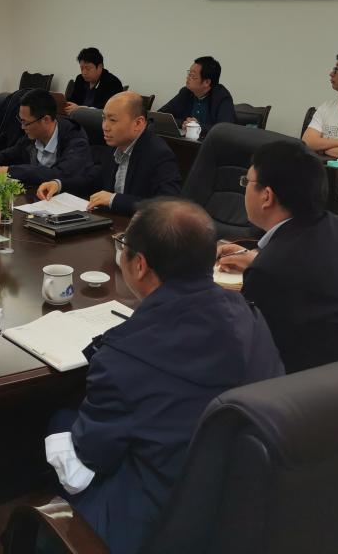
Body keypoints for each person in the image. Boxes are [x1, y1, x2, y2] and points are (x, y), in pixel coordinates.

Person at [44, 198, 282, 554]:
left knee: (58, 424)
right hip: (242, 512)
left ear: (139, 265)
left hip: (150, 526)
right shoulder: (251, 317)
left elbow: (90, 457)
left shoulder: (124, 358)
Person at [215, 141, 338, 373]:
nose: (244, 189)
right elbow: (309, 271)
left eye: (246, 182)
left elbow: (248, 349)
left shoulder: (270, 270)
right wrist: (257, 259)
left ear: (266, 196)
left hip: (334, 386)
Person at [37, 92, 180, 215]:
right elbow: (92, 179)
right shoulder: (115, 145)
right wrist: (59, 184)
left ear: (138, 123)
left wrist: (114, 199)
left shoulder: (158, 153)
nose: (105, 127)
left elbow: (167, 206)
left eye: (112, 120)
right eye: (104, 118)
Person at [0, 88, 90, 187]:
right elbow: (9, 154)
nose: (22, 127)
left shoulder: (75, 139)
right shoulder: (33, 136)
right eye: (21, 120)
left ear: (46, 120)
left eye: (26, 122)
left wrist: (8, 171)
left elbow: (59, 174)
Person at [157, 56, 236, 132]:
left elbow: (225, 129)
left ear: (207, 82)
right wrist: (185, 124)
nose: (188, 78)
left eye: (192, 75)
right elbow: (160, 116)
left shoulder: (222, 97)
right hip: (184, 140)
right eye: (189, 73)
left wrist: (197, 126)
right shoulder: (186, 92)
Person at [63, 47, 124, 115]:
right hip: (76, 118)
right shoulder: (80, 79)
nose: (84, 72)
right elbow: (73, 101)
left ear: (100, 67)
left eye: (88, 68)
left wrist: (80, 109)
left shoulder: (112, 83)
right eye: (82, 68)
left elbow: (107, 110)